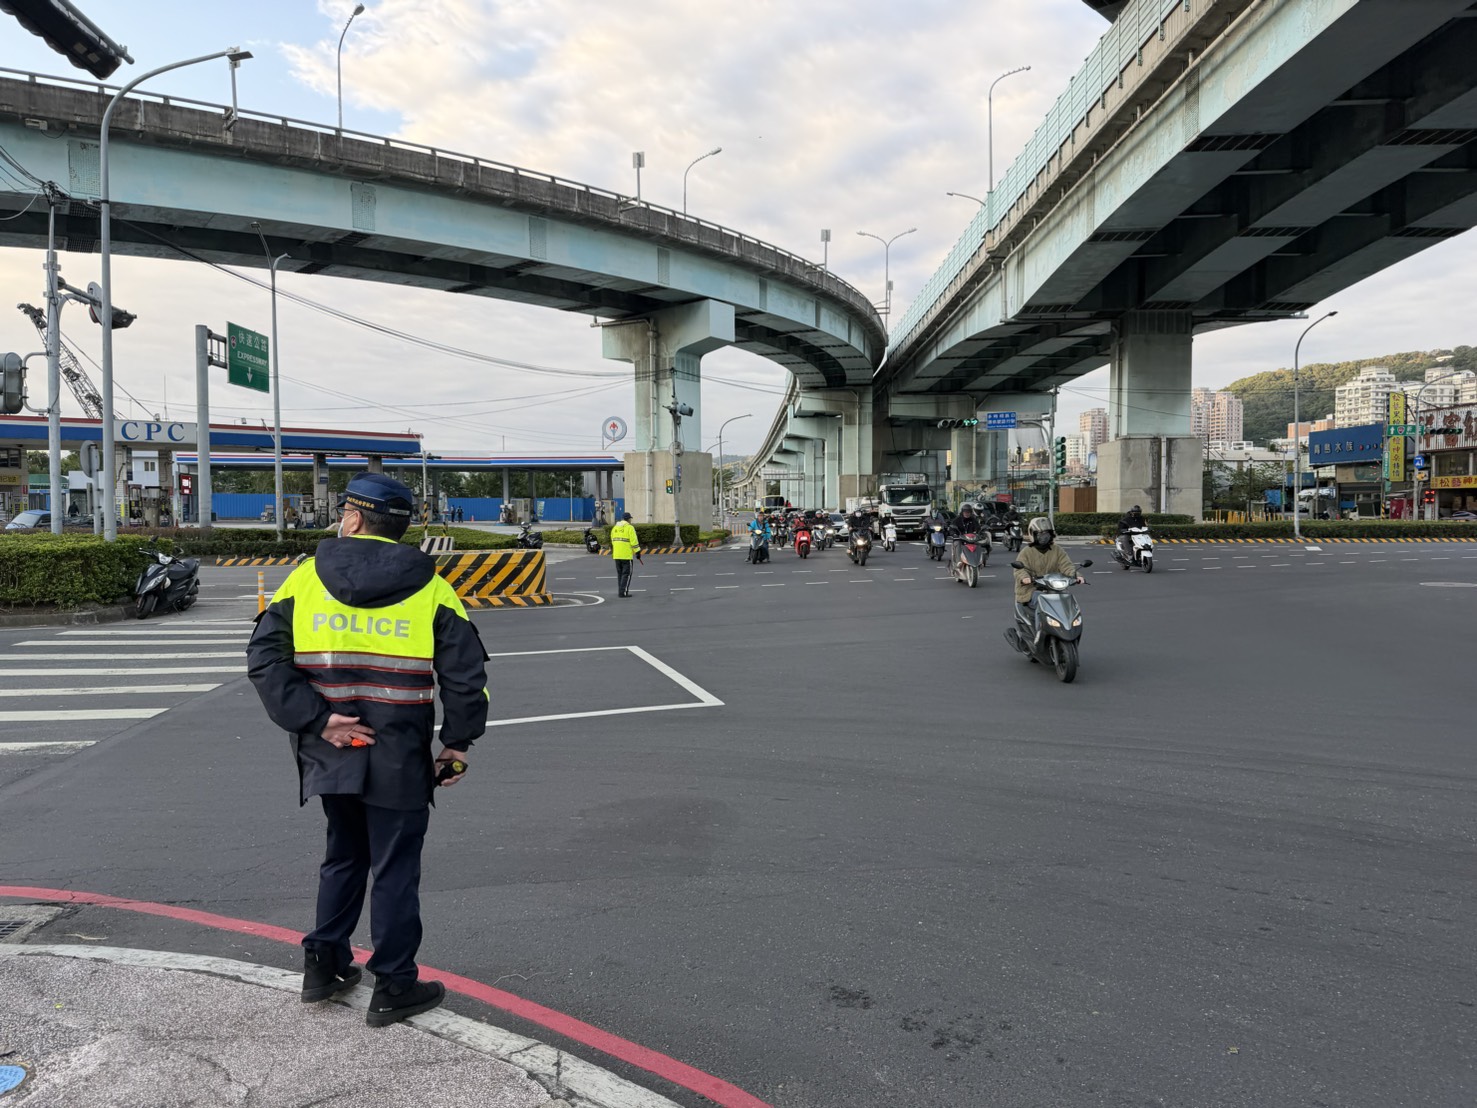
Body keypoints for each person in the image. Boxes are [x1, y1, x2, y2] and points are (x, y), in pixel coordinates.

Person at [245, 472, 489, 1027]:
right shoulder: (433, 588)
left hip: (331, 748)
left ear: (353, 519)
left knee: (343, 855)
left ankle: (323, 967)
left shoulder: (303, 580)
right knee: (395, 868)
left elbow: (264, 661)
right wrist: (457, 743)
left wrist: (320, 720)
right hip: (400, 751)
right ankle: (394, 985)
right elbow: (465, 676)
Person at [1014, 516, 1083, 622]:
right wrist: (1025, 578)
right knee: (1041, 600)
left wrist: (1076, 575)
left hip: (1054, 588)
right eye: (1040, 533)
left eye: (1046, 533)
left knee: (1067, 600)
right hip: (1032, 589)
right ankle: (1039, 631)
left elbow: (1066, 565)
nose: (1044, 537)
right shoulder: (1026, 552)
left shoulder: (1057, 550)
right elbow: (1019, 569)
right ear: (1033, 534)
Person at [610, 511, 642, 598]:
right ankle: (623, 593)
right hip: (626, 556)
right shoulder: (629, 528)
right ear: (628, 519)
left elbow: (613, 541)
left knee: (620, 574)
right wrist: (637, 552)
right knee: (626, 574)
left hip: (616, 555)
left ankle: (620, 591)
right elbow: (634, 541)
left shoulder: (615, 528)